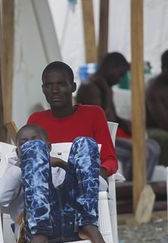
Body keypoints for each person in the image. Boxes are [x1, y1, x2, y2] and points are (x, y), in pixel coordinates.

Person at [26, 61, 118, 243]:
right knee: (33, 148)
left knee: (85, 143)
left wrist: (93, 172)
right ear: (43, 89)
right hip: (47, 190)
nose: (55, 90)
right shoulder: (36, 119)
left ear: (73, 86)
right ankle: (40, 229)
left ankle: (87, 223)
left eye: (61, 84)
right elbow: (29, 163)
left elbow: (110, 159)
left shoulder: (93, 114)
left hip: (83, 188)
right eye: (49, 85)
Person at [77, 52, 160, 180]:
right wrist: (106, 92)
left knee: (153, 146)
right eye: (120, 74)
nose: (120, 79)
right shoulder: (90, 87)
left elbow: (114, 117)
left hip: (110, 136)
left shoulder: (105, 86)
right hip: (96, 141)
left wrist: (129, 125)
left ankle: (142, 186)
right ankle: (132, 190)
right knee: (141, 151)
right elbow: (97, 122)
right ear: (111, 68)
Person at [146, 50, 168, 166]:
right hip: (152, 129)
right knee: (166, 138)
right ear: (164, 68)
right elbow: (164, 122)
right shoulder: (154, 88)